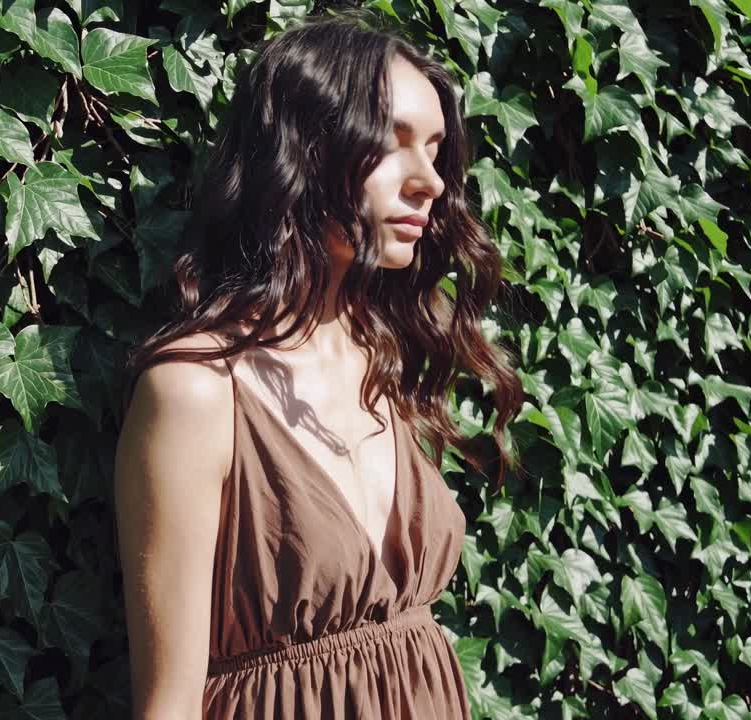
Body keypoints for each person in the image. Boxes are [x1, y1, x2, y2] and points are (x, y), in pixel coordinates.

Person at [113, 9, 525, 720]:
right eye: (392, 143)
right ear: (305, 150)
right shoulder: (195, 392)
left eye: (434, 151)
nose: (430, 182)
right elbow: (167, 706)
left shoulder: (383, 360)